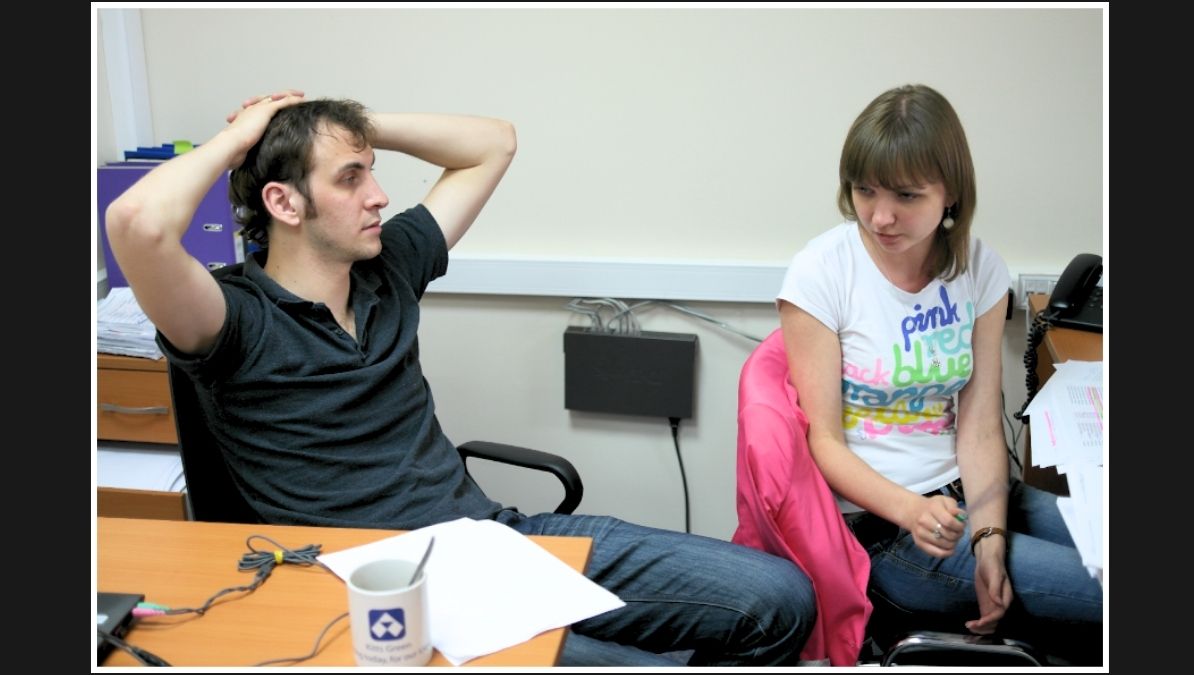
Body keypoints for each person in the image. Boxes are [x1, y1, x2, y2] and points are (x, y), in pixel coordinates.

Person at [105, 90, 816, 667]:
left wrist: (338, 122)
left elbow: (493, 142)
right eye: (351, 178)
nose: (379, 195)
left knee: (779, 595)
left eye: (372, 170)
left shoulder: (387, 267)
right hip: (376, 590)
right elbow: (135, 221)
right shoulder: (229, 318)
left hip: (487, 541)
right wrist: (247, 134)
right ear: (284, 203)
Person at [775, 84, 1102, 664]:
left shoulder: (979, 266)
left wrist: (990, 537)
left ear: (950, 192)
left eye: (906, 194)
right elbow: (821, 441)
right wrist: (910, 510)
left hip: (974, 494)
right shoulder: (820, 273)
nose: (880, 215)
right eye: (864, 190)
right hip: (886, 528)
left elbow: (977, 427)